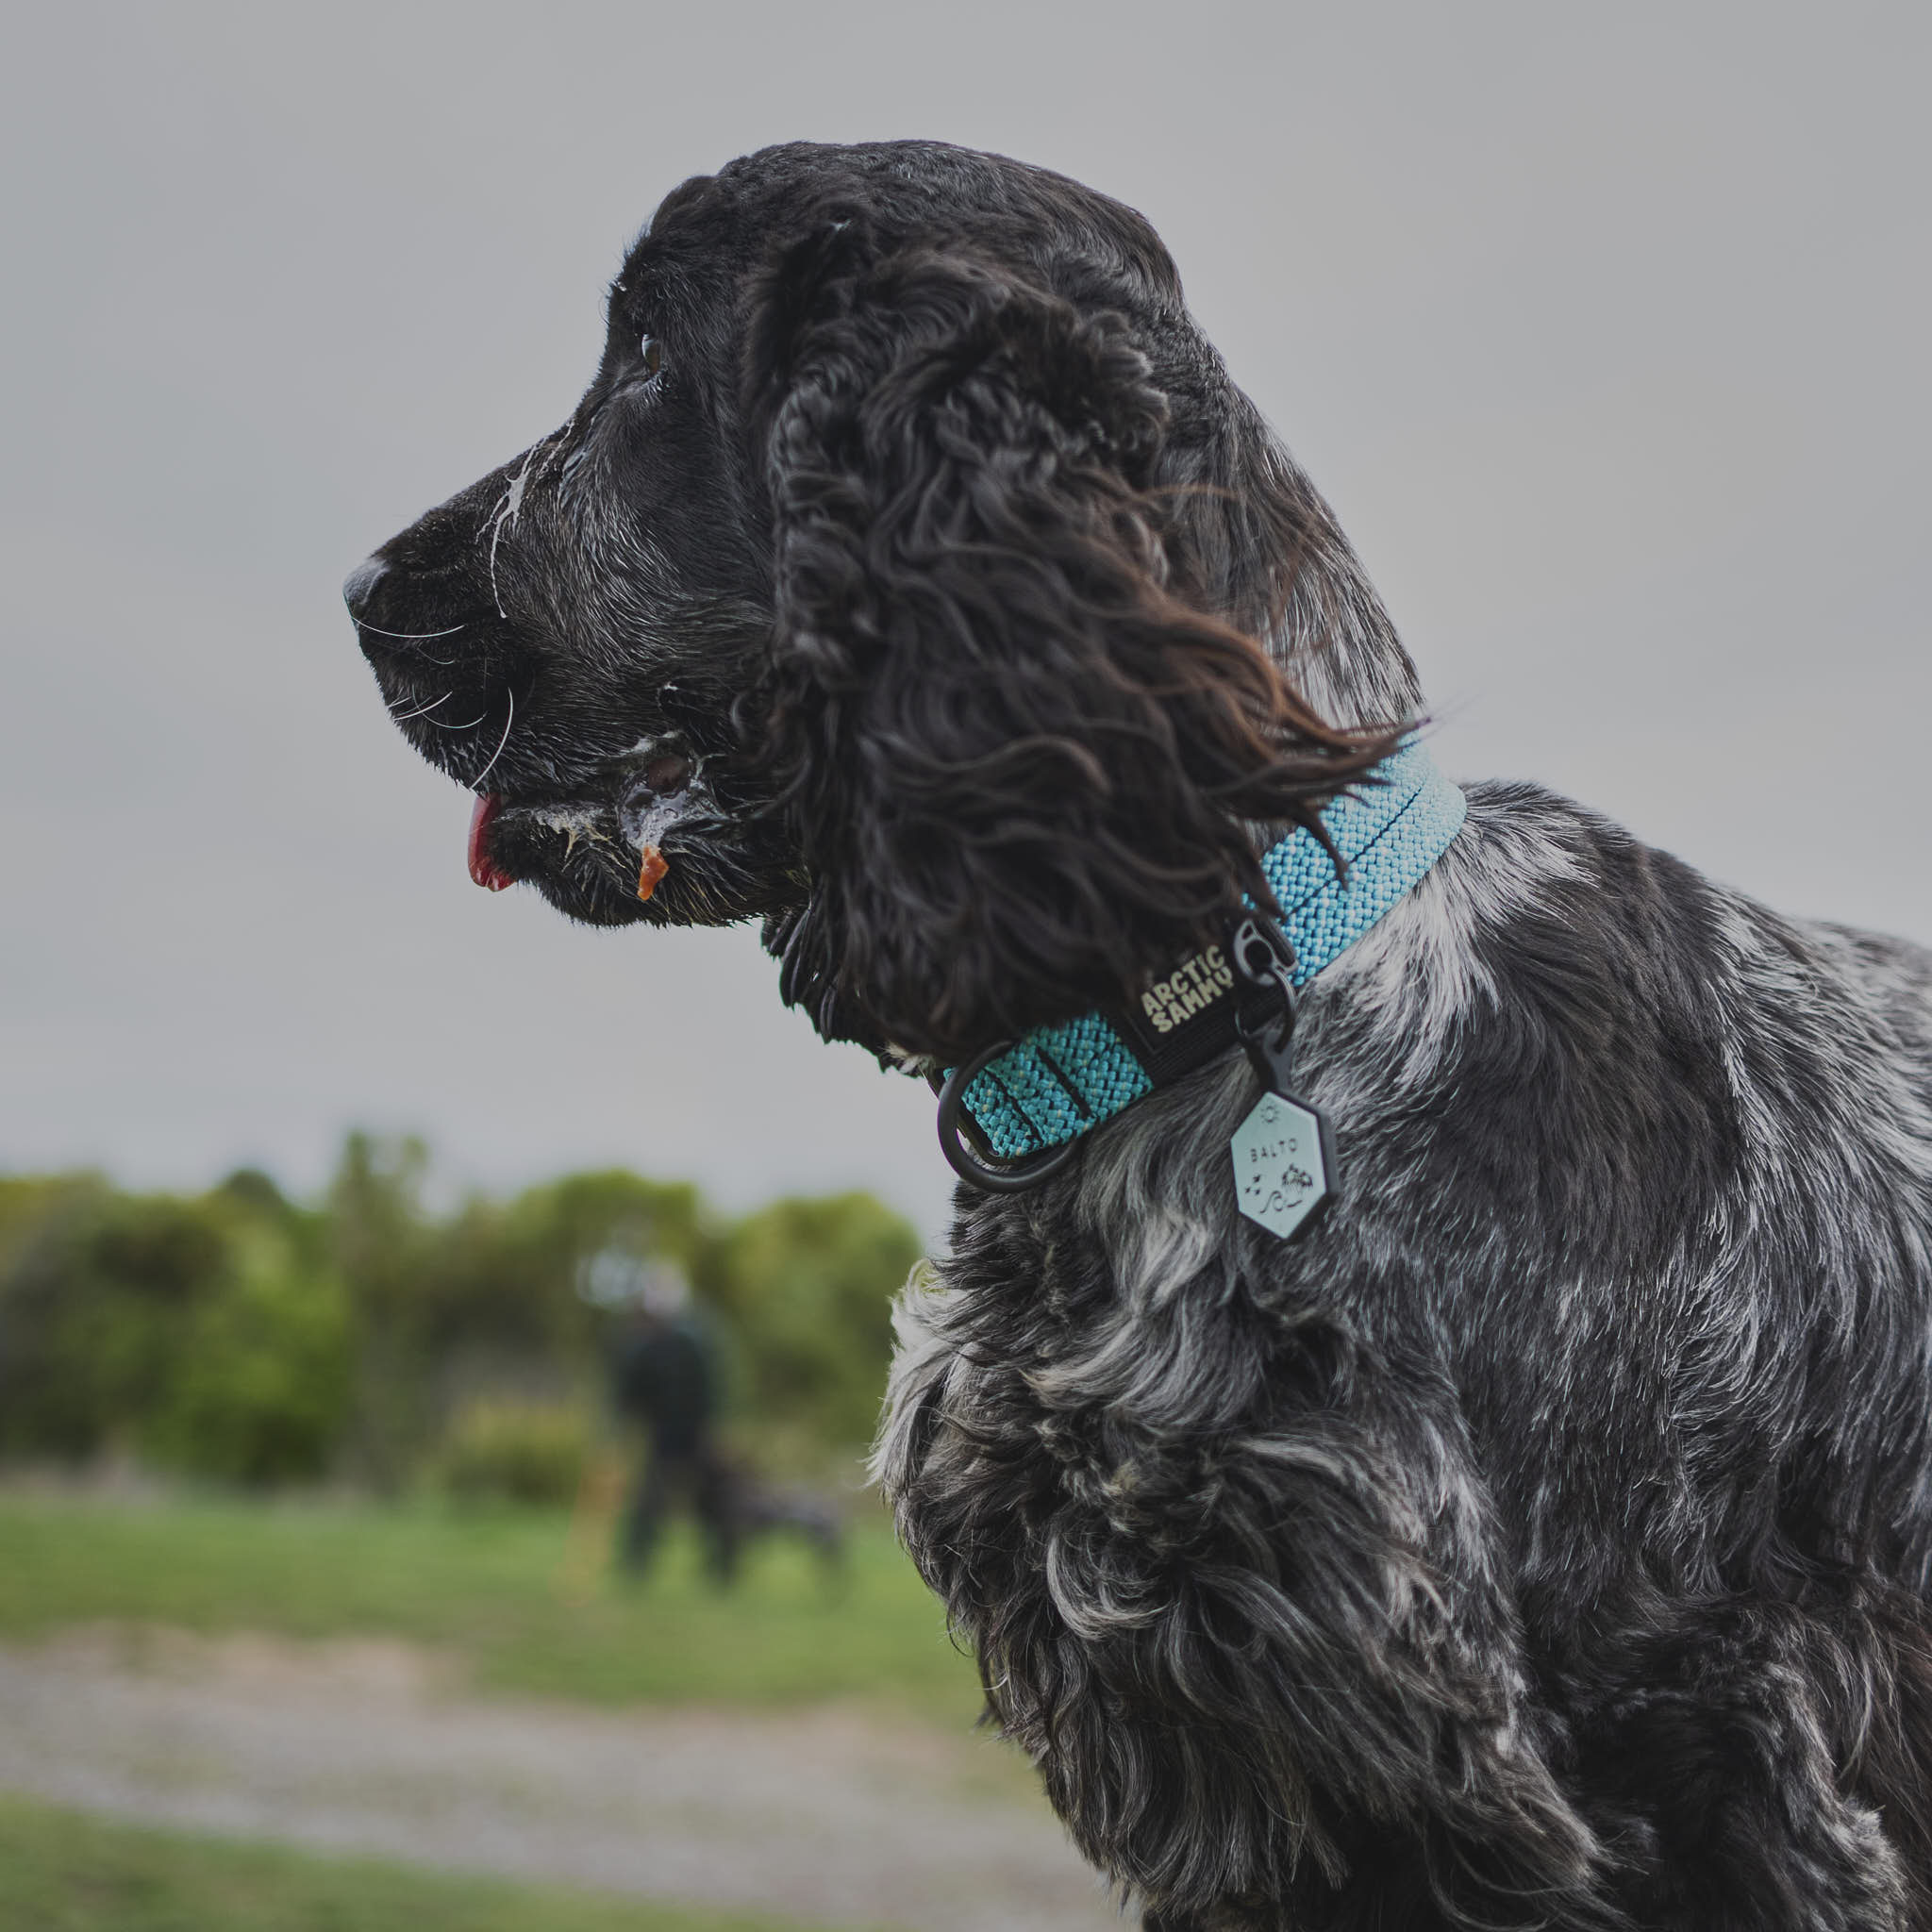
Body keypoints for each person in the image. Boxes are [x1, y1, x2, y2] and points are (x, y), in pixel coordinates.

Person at [605, 1261, 738, 1583]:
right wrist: (620, 1421)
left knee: (712, 1501)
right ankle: (636, 1564)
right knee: (649, 1501)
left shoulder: (696, 1340)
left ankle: (721, 1567)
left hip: (696, 1432)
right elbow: (630, 1389)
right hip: (661, 1433)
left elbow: (713, 1388)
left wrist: (715, 1429)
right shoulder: (642, 1344)